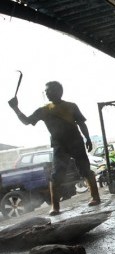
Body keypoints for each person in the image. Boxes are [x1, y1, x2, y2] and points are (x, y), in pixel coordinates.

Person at [8, 81, 101, 215]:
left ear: (59, 91)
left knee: (85, 170)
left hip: (76, 142)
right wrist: (16, 109)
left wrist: (88, 138)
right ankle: (55, 207)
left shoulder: (71, 106)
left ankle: (95, 197)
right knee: (56, 176)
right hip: (59, 145)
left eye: (49, 90)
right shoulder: (44, 110)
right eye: (46, 91)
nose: (46, 93)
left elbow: (81, 123)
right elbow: (27, 121)